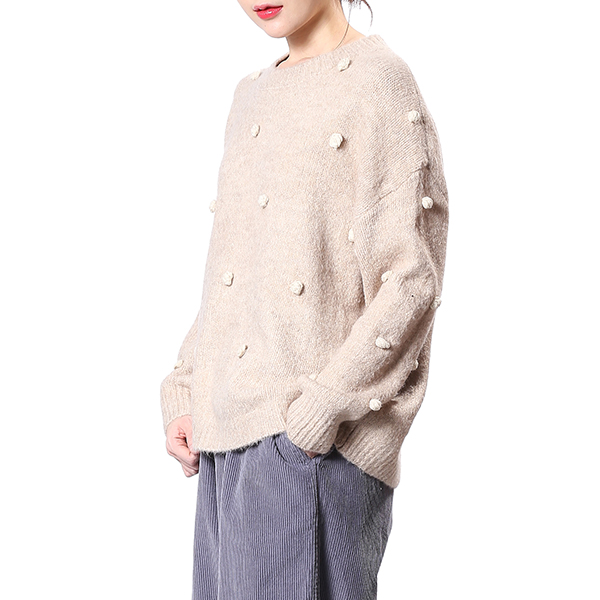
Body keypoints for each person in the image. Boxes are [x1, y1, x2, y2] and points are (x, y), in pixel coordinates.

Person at [160, 1, 449, 598]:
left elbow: (410, 280)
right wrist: (186, 386)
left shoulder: (378, 82)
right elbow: (237, 268)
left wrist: (322, 409)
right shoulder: (250, 95)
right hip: (224, 437)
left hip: (312, 443)